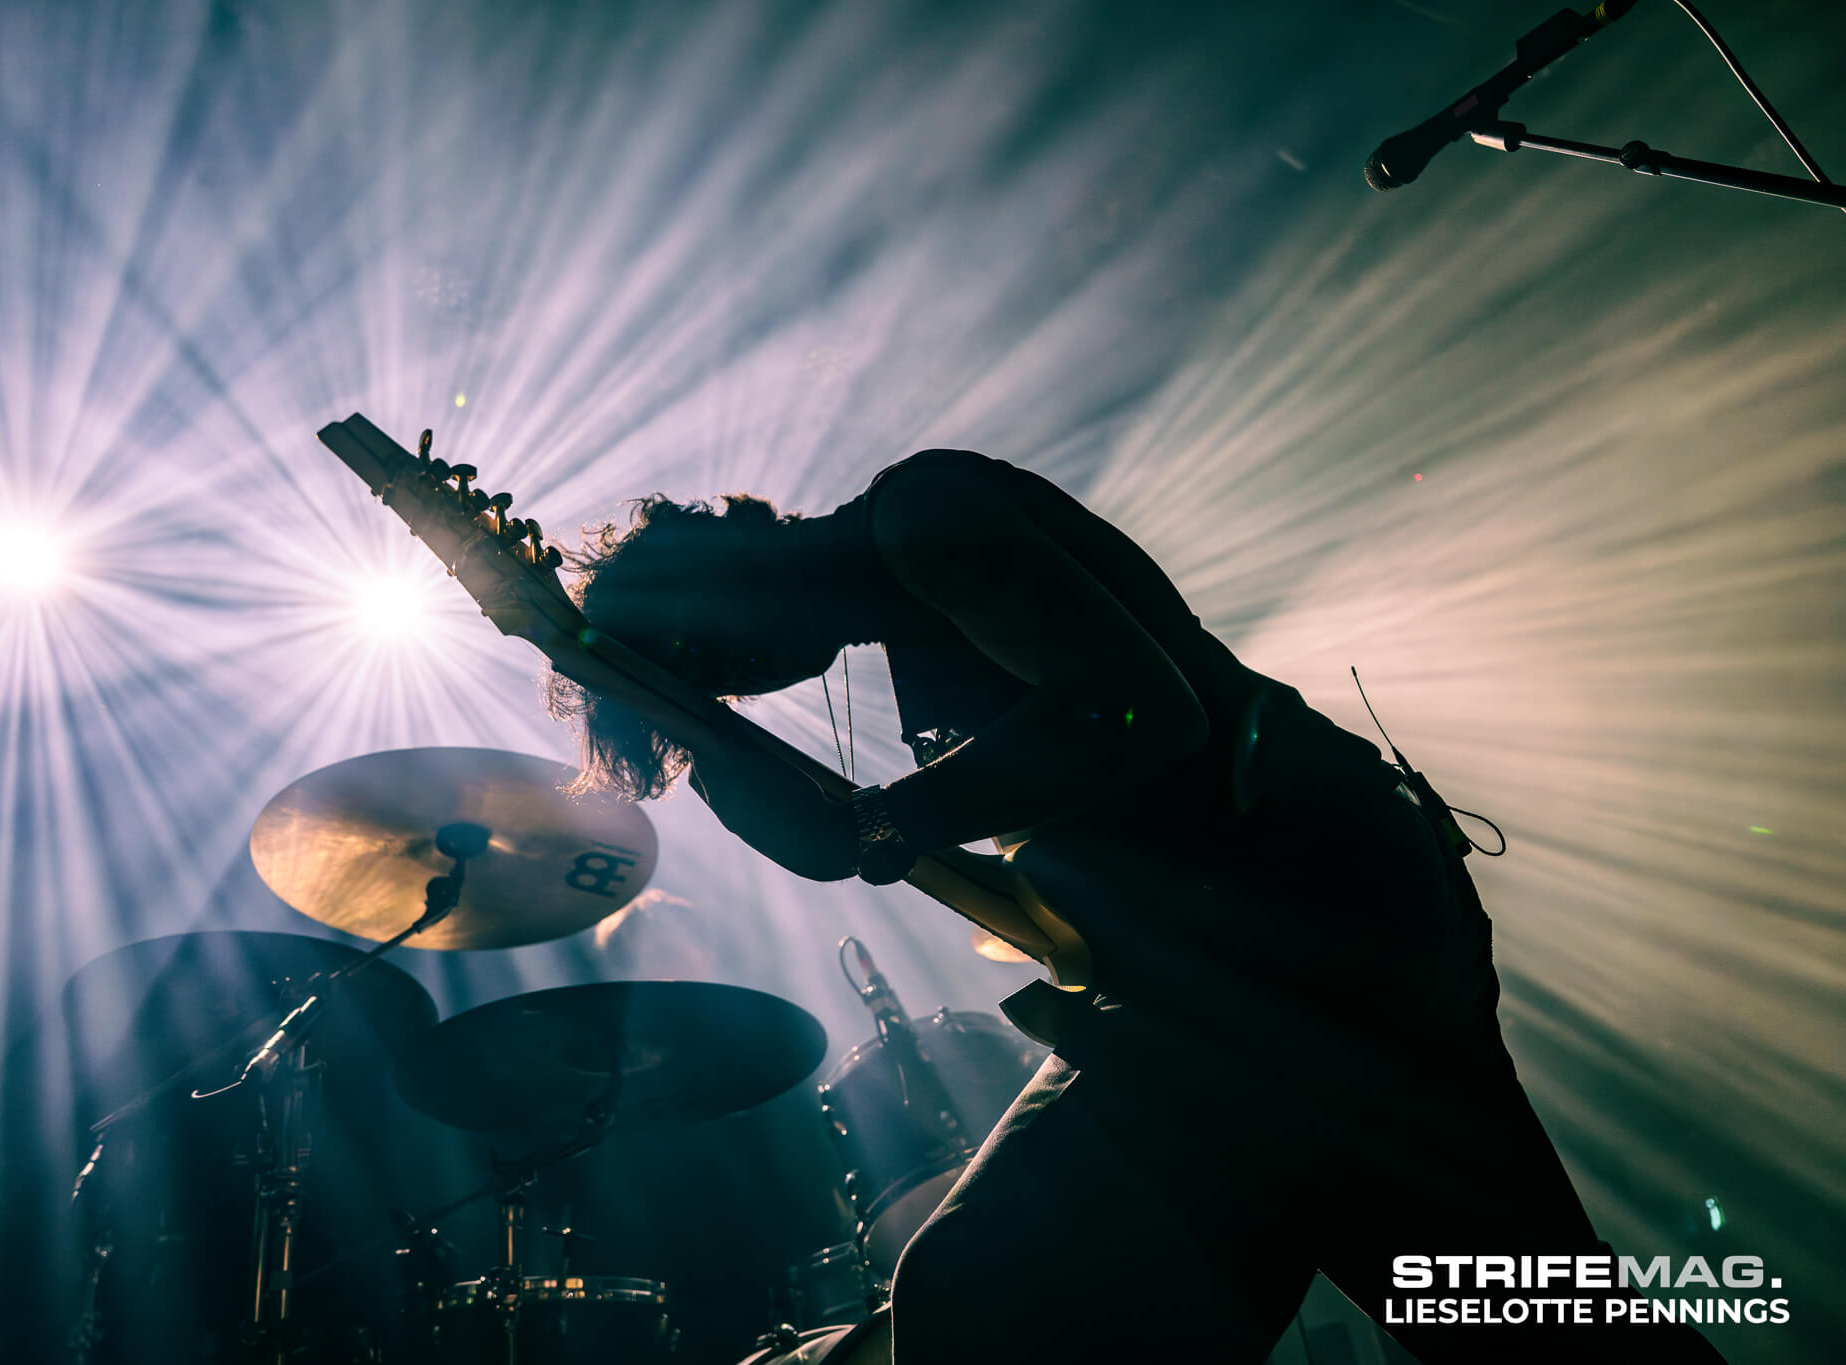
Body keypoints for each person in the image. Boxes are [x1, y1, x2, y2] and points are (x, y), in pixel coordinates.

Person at [546, 449, 1725, 1363]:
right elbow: (846, 843)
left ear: (721, 590)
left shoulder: (924, 513)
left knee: (983, 1299)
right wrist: (692, 726)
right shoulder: (908, 612)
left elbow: (1133, 714)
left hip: (1294, 944)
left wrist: (888, 823)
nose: (747, 688)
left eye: (719, 667)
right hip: (1275, 960)